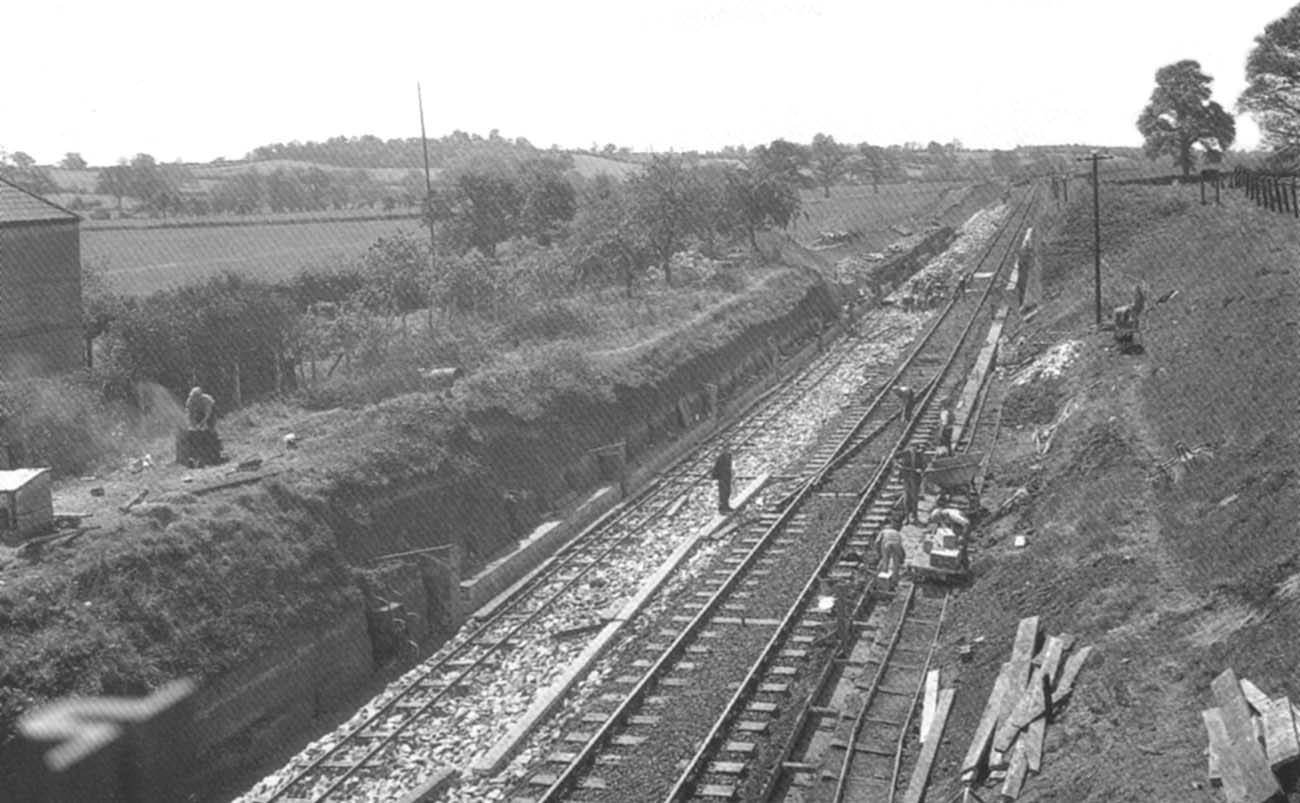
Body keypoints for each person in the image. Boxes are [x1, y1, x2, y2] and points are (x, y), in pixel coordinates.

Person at [896, 446, 925, 524]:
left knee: (915, 498)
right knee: (906, 499)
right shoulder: (906, 454)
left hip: (915, 480)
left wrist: (921, 471)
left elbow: (923, 466)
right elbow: (898, 462)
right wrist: (900, 477)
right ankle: (907, 518)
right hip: (907, 479)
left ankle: (915, 517)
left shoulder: (919, 456)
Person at [711, 449, 734, 513]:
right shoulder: (721, 457)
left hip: (727, 477)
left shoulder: (728, 456)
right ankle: (722, 507)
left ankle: (725, 506)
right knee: (724, 492)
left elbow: (728, 468)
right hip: (722, 477)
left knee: (727, 491)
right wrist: (715, 476)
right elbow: (716, 467)